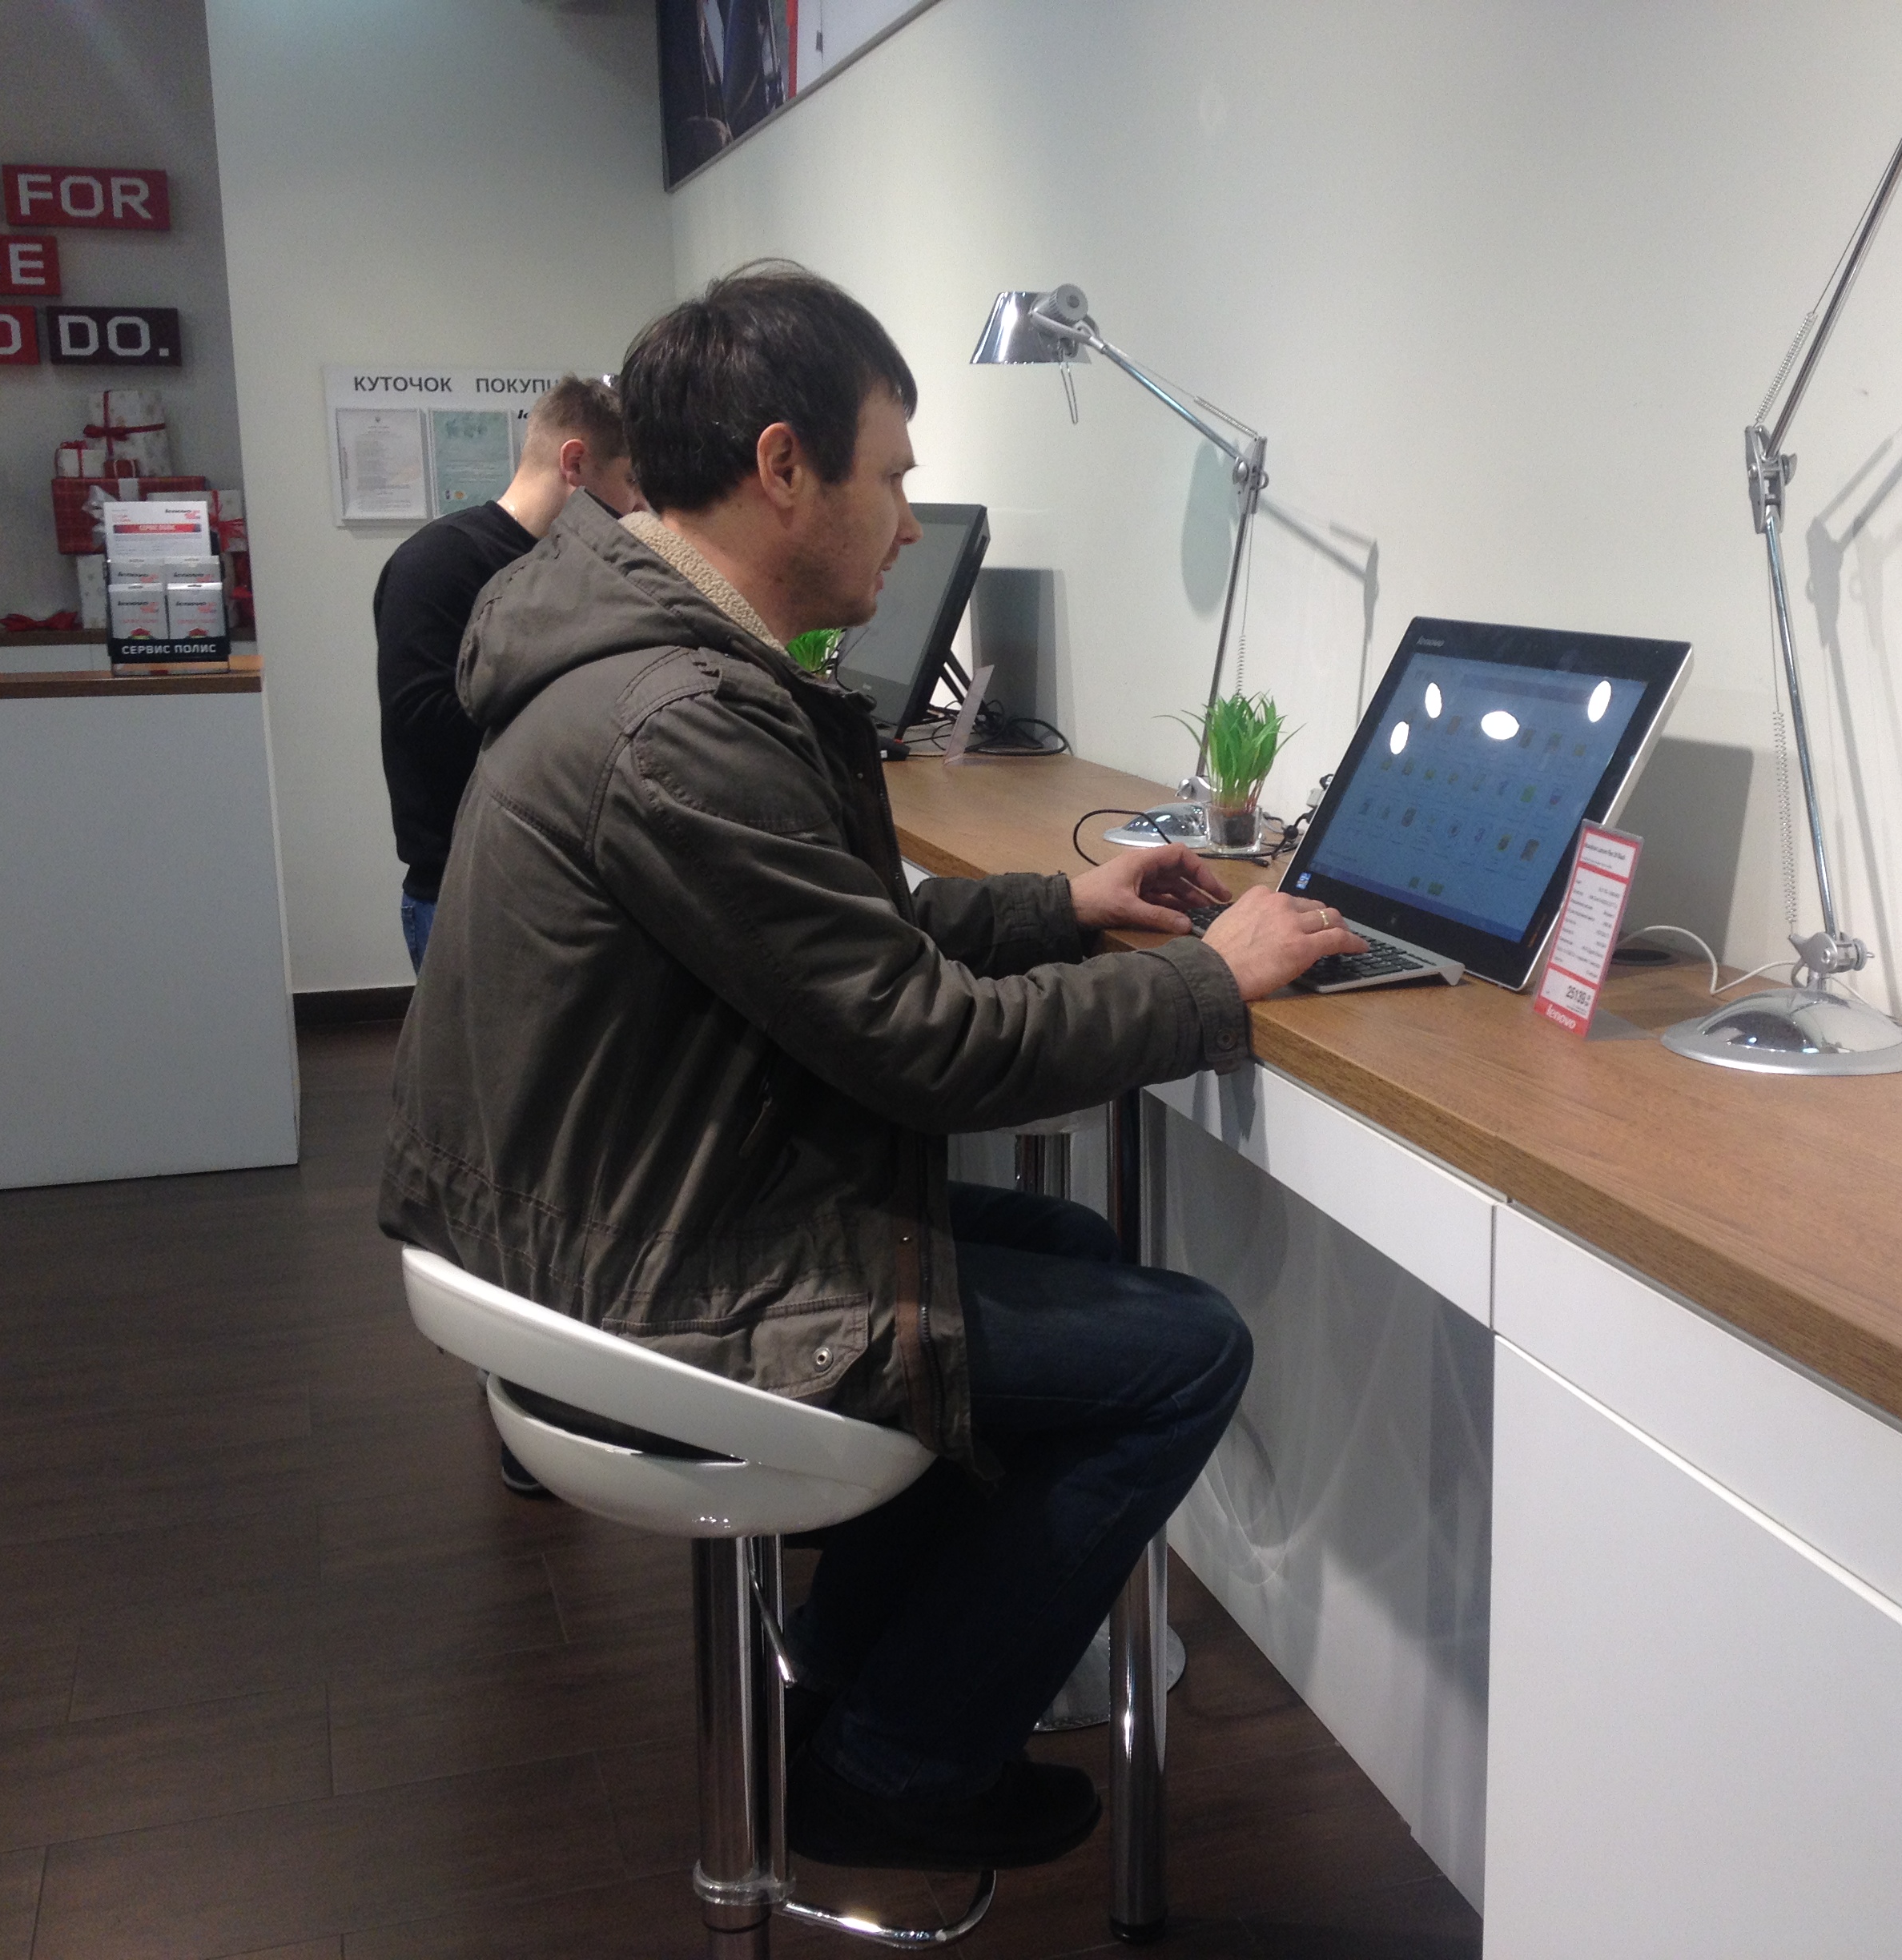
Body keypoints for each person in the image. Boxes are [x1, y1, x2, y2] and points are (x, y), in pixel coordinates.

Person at [378, 261, 1366, 1870]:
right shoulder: (680, 721)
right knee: (1183, 1349)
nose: (909, 526)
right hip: (645, 1272)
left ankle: (846, 1681)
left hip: (604, 1215)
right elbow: (927, 1046)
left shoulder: (642, 664)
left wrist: (1062, 907)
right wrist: (1208, 977)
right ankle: (897, 1767)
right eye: (893, 477)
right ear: (783, 468)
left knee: (1066, 1244)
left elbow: (836, 939)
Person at [374, 374, 641, 975]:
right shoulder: (437, 564)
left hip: (570, 881)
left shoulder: (591, 567)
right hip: (466, 888)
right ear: (575, 463)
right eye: (631, 481)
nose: (638, 506)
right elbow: (423, 719)